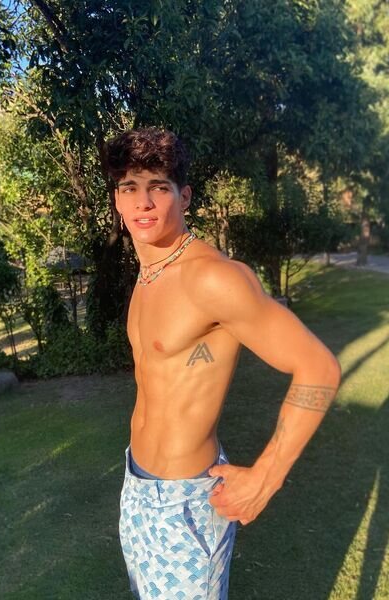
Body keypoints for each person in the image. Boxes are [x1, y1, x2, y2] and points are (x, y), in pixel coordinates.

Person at [105, 127, 341, 600]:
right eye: (129, 188)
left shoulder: (213, 278)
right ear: (117, 199)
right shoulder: (148, 274)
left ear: (184, 196)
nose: (143, 203)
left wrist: (266, 477)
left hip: (186, 502)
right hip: (137, 485)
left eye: (158, 187)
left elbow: (319, 368)